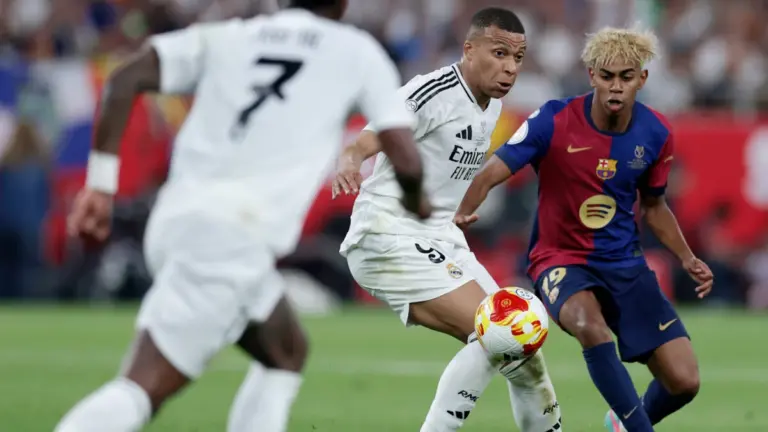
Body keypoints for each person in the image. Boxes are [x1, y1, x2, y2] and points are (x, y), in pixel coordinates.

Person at [56, 0, 430, 431]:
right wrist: (419, 204)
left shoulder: (231, 36)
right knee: (140, 389)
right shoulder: (358, 52)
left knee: (285, 350)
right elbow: (405, 156)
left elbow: (125, 77)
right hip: (231, 240)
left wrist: (100, 187)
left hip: (178, 219)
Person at [456, 26, 714, 432]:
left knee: (684, 382)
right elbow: (492, 171)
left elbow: (654, 206)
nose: (616, 87)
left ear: (642, 79)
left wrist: (686, 257)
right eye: (607, 76)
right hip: (560, 260)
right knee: (589, 326)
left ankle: (621, 423)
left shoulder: (656, 132)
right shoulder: (554, 119)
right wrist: (463, 212)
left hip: (624, 263)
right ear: (592, 75)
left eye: (626, 77)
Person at [334, 7, 562, 432]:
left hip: (438, 236)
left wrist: (453, 208)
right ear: (469, 49)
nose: (510, 68)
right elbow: (372, 135)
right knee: (498, 330)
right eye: (499, 54)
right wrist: (349, 159)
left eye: (517, 58)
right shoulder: (434, 90)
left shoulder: (491, 106)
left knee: (524, 348)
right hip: (387, 234)